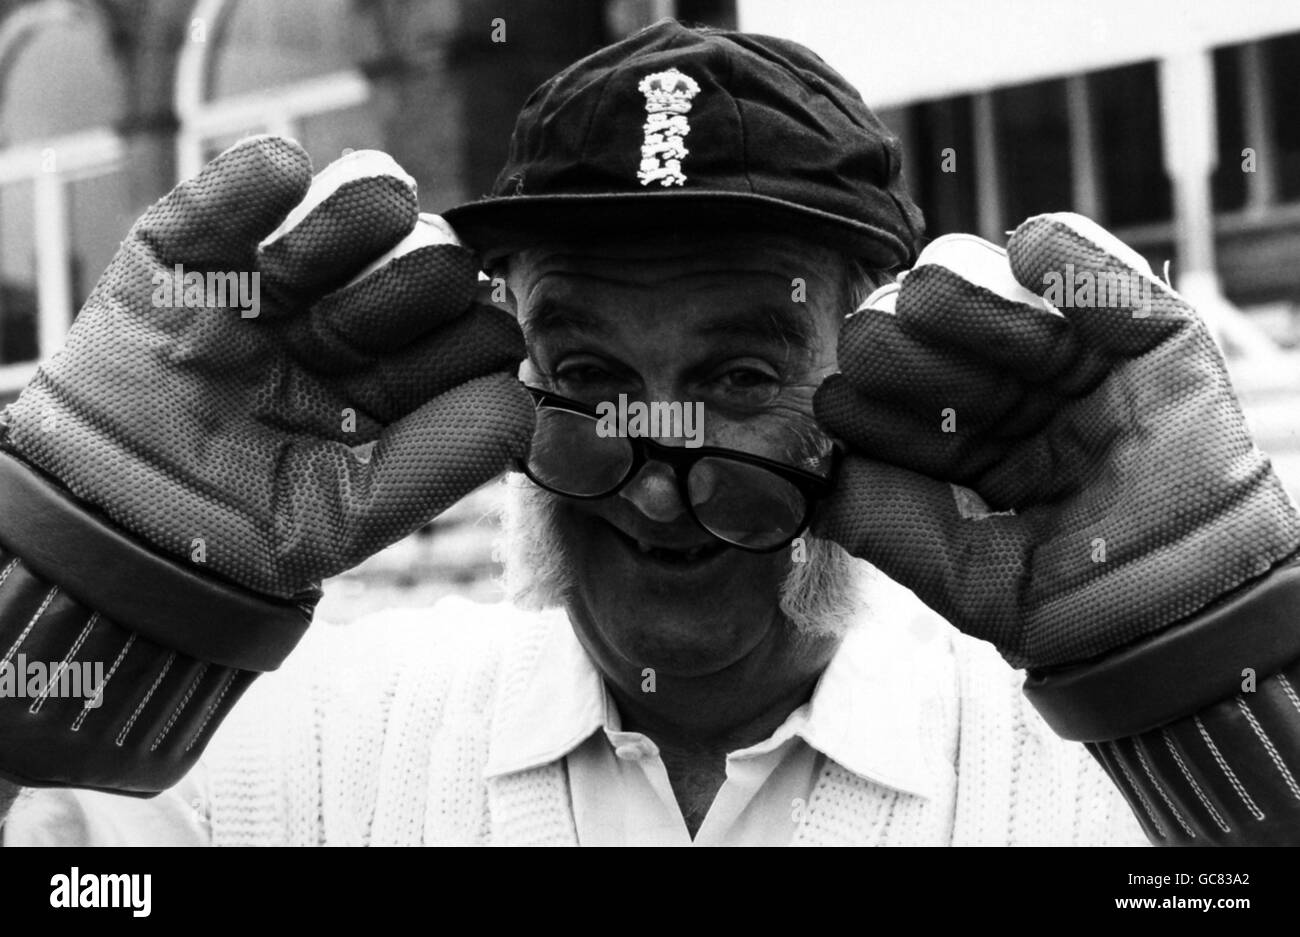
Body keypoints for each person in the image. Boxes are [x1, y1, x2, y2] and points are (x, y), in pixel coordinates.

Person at [2, 19, 1298, 846]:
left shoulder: (1106, 788)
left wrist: (1230, 706)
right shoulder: (309, 750)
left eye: (742, 370)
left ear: (886, 365)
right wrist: (42, 599)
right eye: (584, 366)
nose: (661, 490)